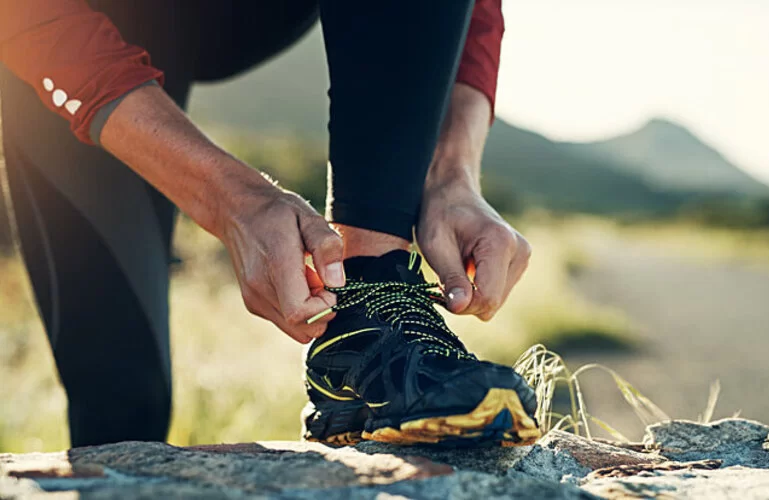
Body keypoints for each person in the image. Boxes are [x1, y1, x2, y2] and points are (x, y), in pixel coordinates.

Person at [0, 0, 539, 448]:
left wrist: (452, 172)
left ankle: (369, 309)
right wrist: (227, 200)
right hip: (65, 25)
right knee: (122, 401)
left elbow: (476, 12)